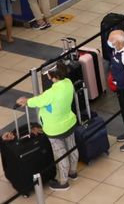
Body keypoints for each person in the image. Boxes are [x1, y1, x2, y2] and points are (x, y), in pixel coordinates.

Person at [17, 62, 78, 191]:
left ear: (51, 76)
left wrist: (26, 101)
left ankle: (63, 182)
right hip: (69, 122)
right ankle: (73, 172)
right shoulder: (68, 83)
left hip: (55, 129)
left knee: (60, 155)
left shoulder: (51, 92)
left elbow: (38, 101)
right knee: (72, 148)